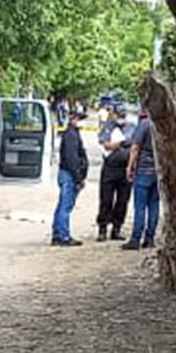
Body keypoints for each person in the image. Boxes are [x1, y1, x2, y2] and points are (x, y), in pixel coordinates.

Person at [122, 104, 160, 251]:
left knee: (140, 207)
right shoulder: (162, 125)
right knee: (154, 206)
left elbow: (135, 147)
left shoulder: (144, 124)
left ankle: (135, 238)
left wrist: (130, 167)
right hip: (158, 171)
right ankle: (150, 238)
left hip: (144, 170)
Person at [51, 109, 88, 247]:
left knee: (62, 205)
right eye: (78, 119)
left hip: (68, 173)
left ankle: (58, 233)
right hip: (69, 174)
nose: (80, 122)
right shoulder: (71, 135)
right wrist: (78, 178)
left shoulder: (71, 134)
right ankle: (63, 236)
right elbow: (72, 159)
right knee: (65, 206)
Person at [95, 105, 132, 241]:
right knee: (106, 199)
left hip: (125, 168)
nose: (121, 117)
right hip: (110, 168)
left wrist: (117, 144)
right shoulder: (107, 127)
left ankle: (117, 229)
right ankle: (102, 229)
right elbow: (106, 145)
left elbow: (134, 144)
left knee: (122, 200)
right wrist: (121, 143)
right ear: (113, 114)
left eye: (123, 115)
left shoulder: (131, 127)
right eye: (119, 114)